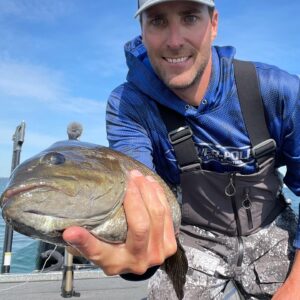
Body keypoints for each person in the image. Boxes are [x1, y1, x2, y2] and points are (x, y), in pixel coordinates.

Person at [63, 0, 300, 299]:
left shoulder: (277, 91)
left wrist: (295, 288)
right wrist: (135, 253)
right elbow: (135, 188)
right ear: (142, 29)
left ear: (213, 24)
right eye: (158, 21)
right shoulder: (130, 106)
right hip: (194, 239)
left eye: (189, 18)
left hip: (271, 229)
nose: (175, 41)